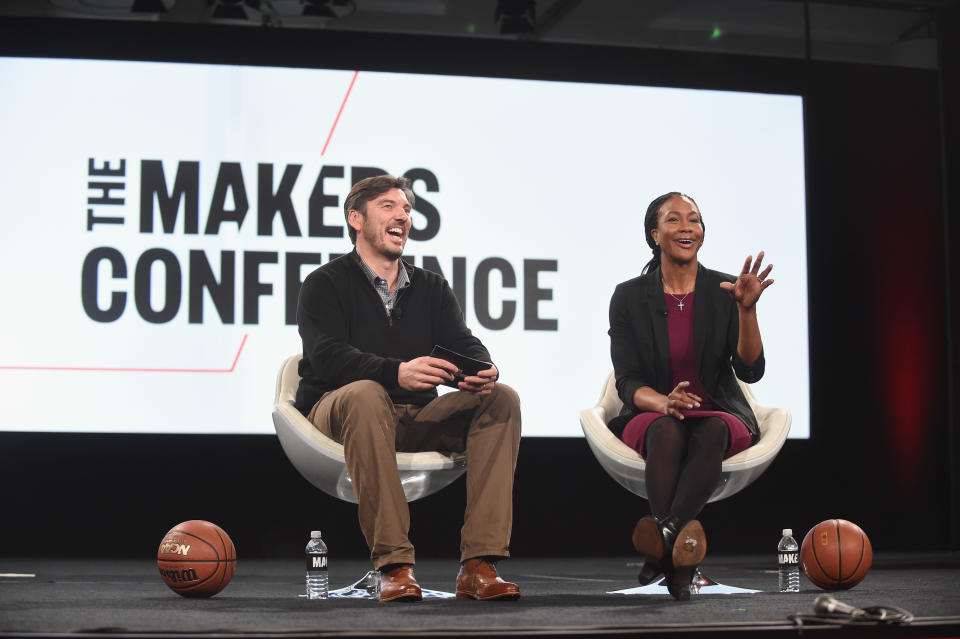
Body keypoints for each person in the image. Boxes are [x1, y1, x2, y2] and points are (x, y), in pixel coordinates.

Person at [295, 174, 522, 603]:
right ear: (356, 218)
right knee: (367, 393)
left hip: (412, 416)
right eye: (389, 206)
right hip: (338, 411)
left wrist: (481, 368)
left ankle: (479, 564)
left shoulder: (431, 287)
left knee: (502, 399)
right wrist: (395, 372)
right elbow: (327, 356)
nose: (403, 216)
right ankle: (394, 566)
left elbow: (463, 344)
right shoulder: (325, 283)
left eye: (407, 209)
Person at [607, 192, 773, 600]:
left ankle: (663, 539)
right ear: (655, 234)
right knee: (667, 430)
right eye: (675, 220)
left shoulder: (724, 291)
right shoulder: (628, 296)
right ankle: (679, 561)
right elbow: (626, 381)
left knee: (713, 430)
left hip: (717, 411)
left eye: (695, 220)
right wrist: (664, 401)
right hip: (652, 412)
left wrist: (746, 311)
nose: (687, 228)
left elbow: (750, 370)